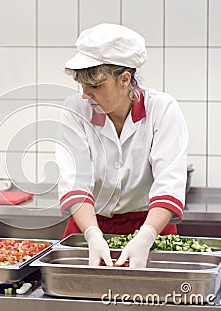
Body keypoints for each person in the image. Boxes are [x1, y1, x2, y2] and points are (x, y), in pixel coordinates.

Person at [56, 23, 188, 268]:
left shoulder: (162, 110)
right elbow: (76, 180)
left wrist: (146, 236)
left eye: (94, 86)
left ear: (125, 79)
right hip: (88, 227)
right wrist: (93, 236)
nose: (85, 94)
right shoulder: (75, 110)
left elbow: (169, 182)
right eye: (82, 85)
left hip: (150, 227)